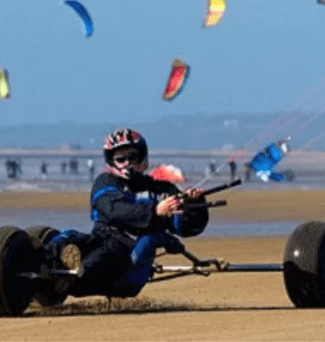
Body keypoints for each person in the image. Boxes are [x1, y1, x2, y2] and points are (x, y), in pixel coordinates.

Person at [43, 128, 209, 300]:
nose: (128, 163)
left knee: (102, 258)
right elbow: (113, 210)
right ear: (112, 160)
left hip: (129, 251)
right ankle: (42, 263)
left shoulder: (161, 189)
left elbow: (187, 227)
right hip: (101, 237)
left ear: (142, 156)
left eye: (132, 157)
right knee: (68, 239)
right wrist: (155, 210)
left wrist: (194, 204)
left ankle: (72, 277)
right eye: (121, 159)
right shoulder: (106, 182)